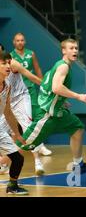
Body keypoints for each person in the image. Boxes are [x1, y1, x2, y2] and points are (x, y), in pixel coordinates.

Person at [15, 39, 86, 174]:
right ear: (63, 51)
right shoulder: (63, 66)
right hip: (47, 115)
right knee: (23, 145)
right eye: (71, 48)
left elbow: (45, 85)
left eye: (76, 48)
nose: (75, 51)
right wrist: (78, 96)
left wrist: (61, 100)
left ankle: (78, 165)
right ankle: (3, 164)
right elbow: (56, 87)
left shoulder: (60, 65)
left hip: (58, 111)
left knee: (78, 128)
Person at [0, 44, 45, 175]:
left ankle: (37, 161)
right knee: (4, 131)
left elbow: (31, 76)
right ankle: (4, 163)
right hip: (6, 101)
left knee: (27, 127)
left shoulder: (13, 64)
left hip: (20, 98)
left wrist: (49, 89)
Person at [10, 33, 52, 156]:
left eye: (22, 40)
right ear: (14, 42)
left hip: (30, 89)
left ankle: (40, 145)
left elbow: (37, 69)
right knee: (17, 120)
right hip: (16, 93)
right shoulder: (11, 57)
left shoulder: (31, 53)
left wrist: (44, 85)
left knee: (35, 116)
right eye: (17, 40)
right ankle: (15, 149)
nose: (20, 42)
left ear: (25, 41)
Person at [0, 51, 29, 195]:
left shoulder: (7, 85)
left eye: (9, 62)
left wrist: (17, 134)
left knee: (18, 158)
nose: (7, 65)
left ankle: (12, 186)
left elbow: (7, 112)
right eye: (3, 63)